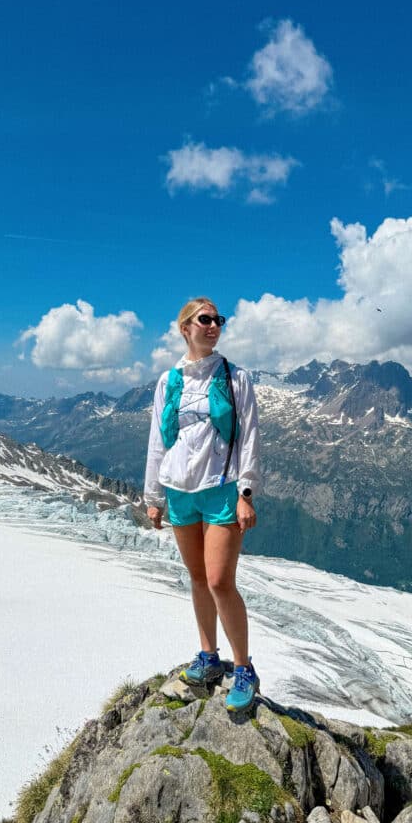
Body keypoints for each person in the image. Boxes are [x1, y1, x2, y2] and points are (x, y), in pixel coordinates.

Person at [144, 297, 262, 712]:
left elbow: (247, 437)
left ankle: (244, 667)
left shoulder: (236, 377)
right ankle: (209, 656)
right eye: (205, 320)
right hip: (179, 490)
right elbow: (159, 440)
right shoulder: (168, 380)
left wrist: (246, 493)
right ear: (185, 327)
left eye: (219, 320)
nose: (214, 326)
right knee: (197, 578)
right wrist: (153, 497)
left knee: (218, 581)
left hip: (221, 489)